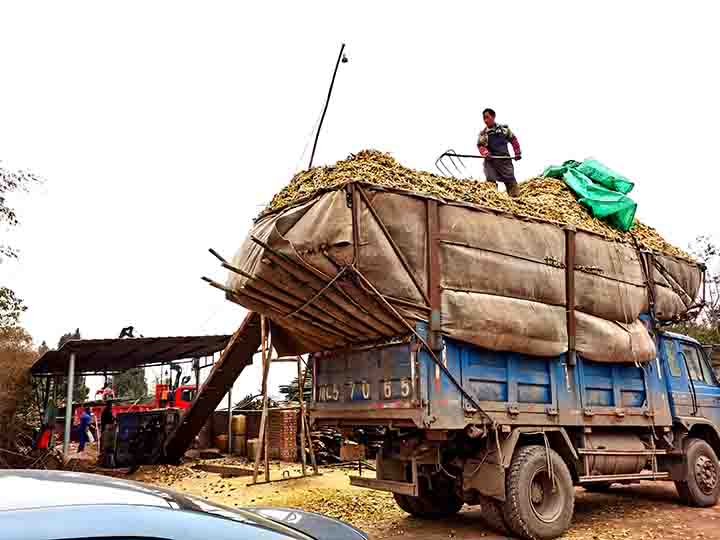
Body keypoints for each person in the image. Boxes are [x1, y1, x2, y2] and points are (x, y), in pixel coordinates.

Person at [476, 108, 522, 197]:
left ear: (493, 117)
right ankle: (492, 199)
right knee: (490, 183)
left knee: (511, 181)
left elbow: (513, 139)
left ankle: (516, 200)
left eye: (487, 117)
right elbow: (481, 146)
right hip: (491, 161)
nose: (485, 120)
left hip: (504, 161)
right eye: (484, 118)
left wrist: (517, 152)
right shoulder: (483, 134)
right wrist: (485, 153)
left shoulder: (503, 130)